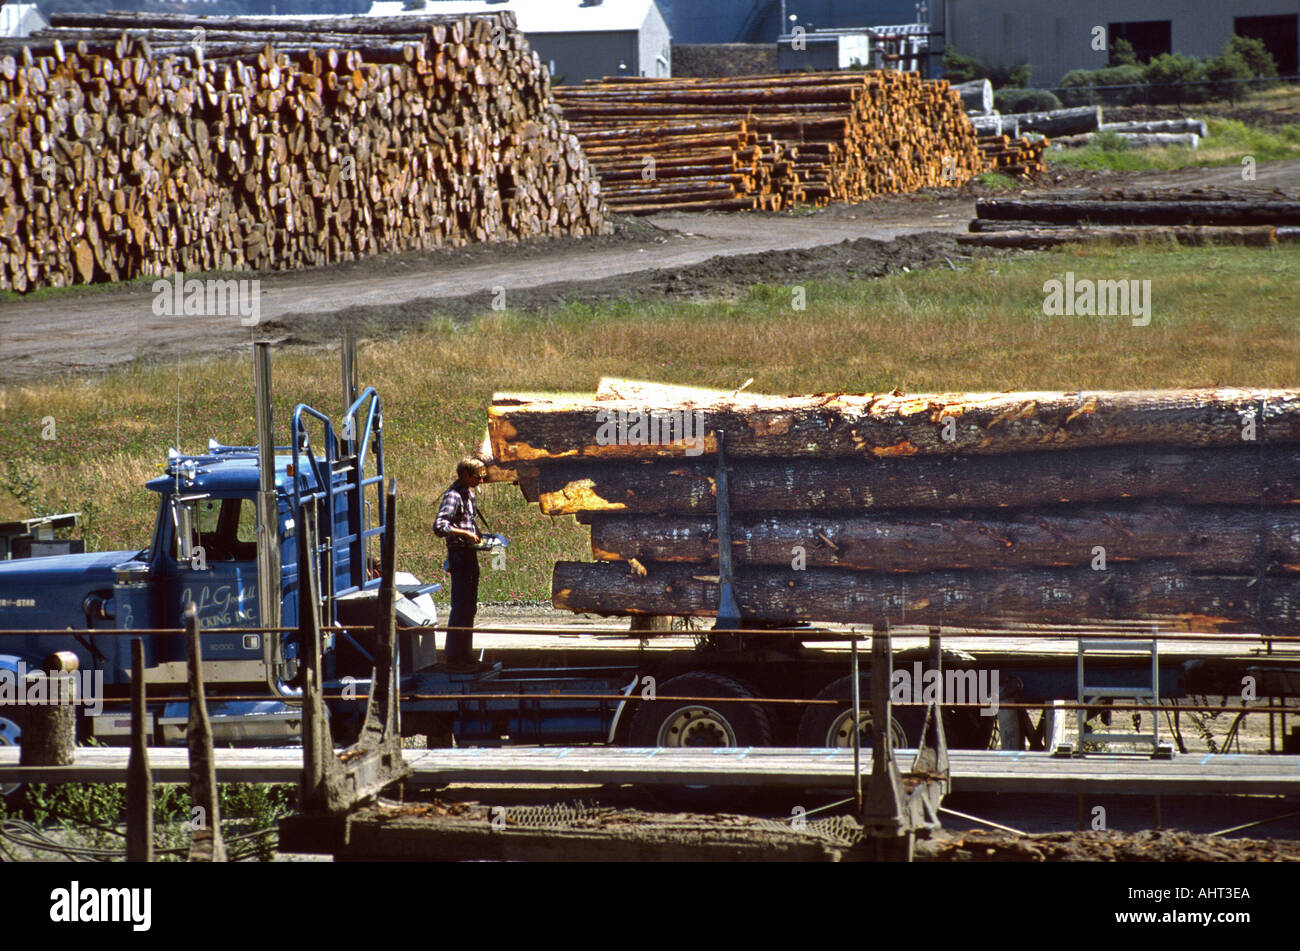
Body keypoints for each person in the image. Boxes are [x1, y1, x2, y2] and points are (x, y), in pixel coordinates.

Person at [433, 457, 487, 670]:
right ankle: (454, 657)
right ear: (465, 474)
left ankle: (465, 653)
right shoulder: (453, 496)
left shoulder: (469, 494)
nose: (481, 481)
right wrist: (463, 533)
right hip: (459, 554)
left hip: (469, 554)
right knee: (460, 606)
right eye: (478, 476)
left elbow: (469, 521)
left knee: (469, 607)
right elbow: (439, 526)